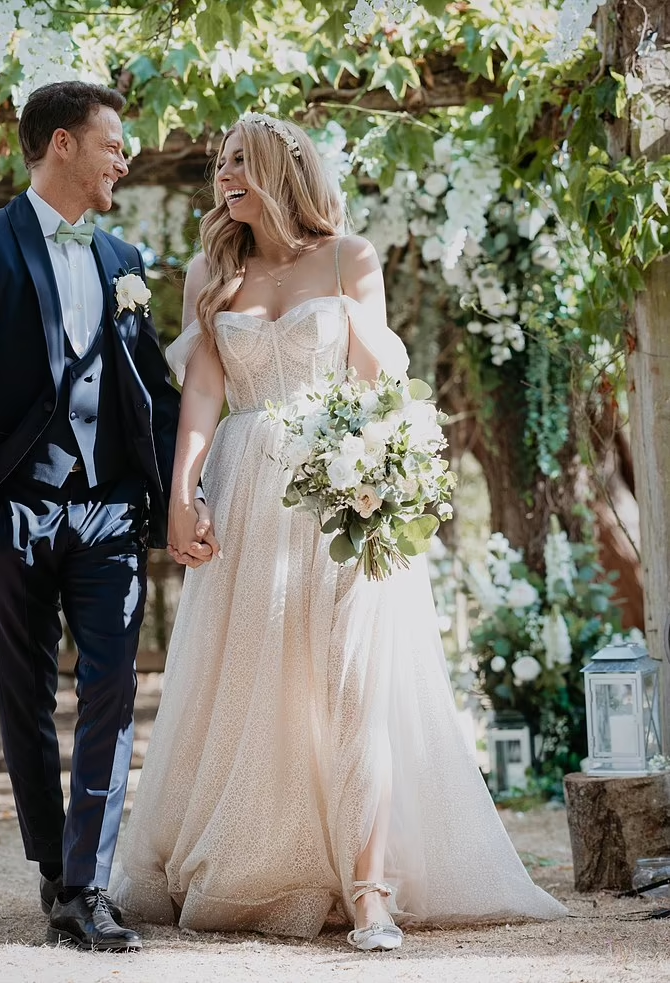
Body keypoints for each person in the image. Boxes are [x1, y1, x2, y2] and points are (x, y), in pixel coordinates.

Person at [111, 113, 567, 950]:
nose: (224, 176)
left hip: (342, 485)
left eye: (240, 161)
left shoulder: (350, 258)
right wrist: (181, 494)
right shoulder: (212, 270)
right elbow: (203, 393)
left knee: (356, 680)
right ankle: (275, 863)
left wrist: (384, 461)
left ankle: (370, 891)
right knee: (256, 682)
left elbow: (379, 381)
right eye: (221, 164)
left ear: (283, 168)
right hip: (247, 493)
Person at [0, 80, 213, 953]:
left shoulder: (123, 257)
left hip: (111, 508)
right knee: (26, 694)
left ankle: (87, 886)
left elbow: (150, 388)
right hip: (10, 508)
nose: (125, 157)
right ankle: (55, 867)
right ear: (62, 145)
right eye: (113, 142)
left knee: (113, 689)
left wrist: (181, 492)